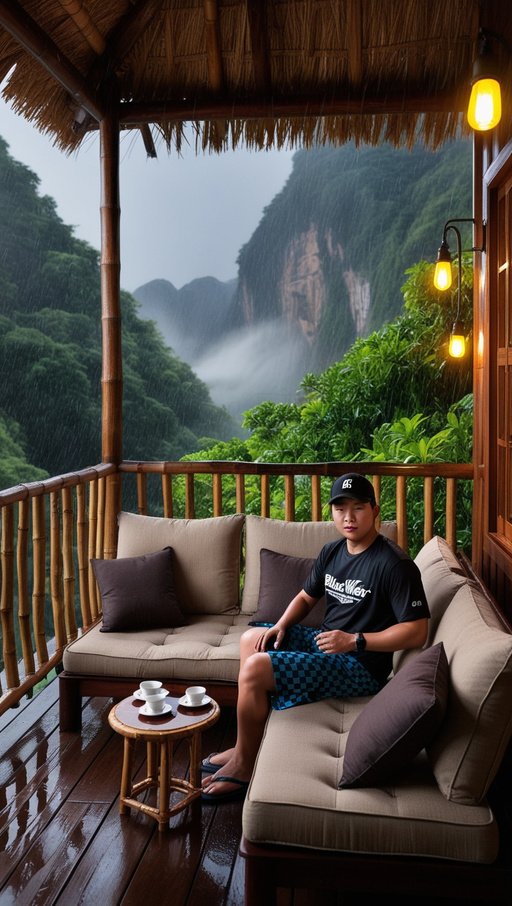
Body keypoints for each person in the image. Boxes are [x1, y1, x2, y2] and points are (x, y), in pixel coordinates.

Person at [201, 472, 430, 803]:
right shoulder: (333, 551)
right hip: (327, 645)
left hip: (359, 666)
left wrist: (355, 641)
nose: (348, 517)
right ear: (332, 512)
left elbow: (417, 631)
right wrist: (280, 625)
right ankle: (243, 747)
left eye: (358, 508)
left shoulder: (394, 564)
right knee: (252, 640)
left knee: (255, 669)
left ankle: (245, 765)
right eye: (340, 509)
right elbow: (306, 597)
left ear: (375, 510)